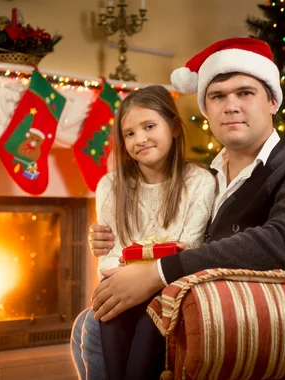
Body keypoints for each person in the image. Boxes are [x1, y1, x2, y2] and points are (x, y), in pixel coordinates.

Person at [73, 37, 285, 378]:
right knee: (92, 320)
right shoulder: (206, 177)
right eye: (217, 96)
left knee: (98, 325)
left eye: (245, 93)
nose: (230, 106)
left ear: (273, 101)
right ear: (206, 109)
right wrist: (109, 241)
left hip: (273, 317)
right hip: (201, 301)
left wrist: (157, 273)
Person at [72, 85, 216, 379]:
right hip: (123, 289)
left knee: (149, 324)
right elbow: (110, 256)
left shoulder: (200, 182)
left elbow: (190, 248)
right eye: (129, 133)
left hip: (170, 293)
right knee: (104, 316)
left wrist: (145, 275)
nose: (140, 139)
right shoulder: (111, 187)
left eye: (149, 126)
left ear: (174, 127)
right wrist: (124, 278)